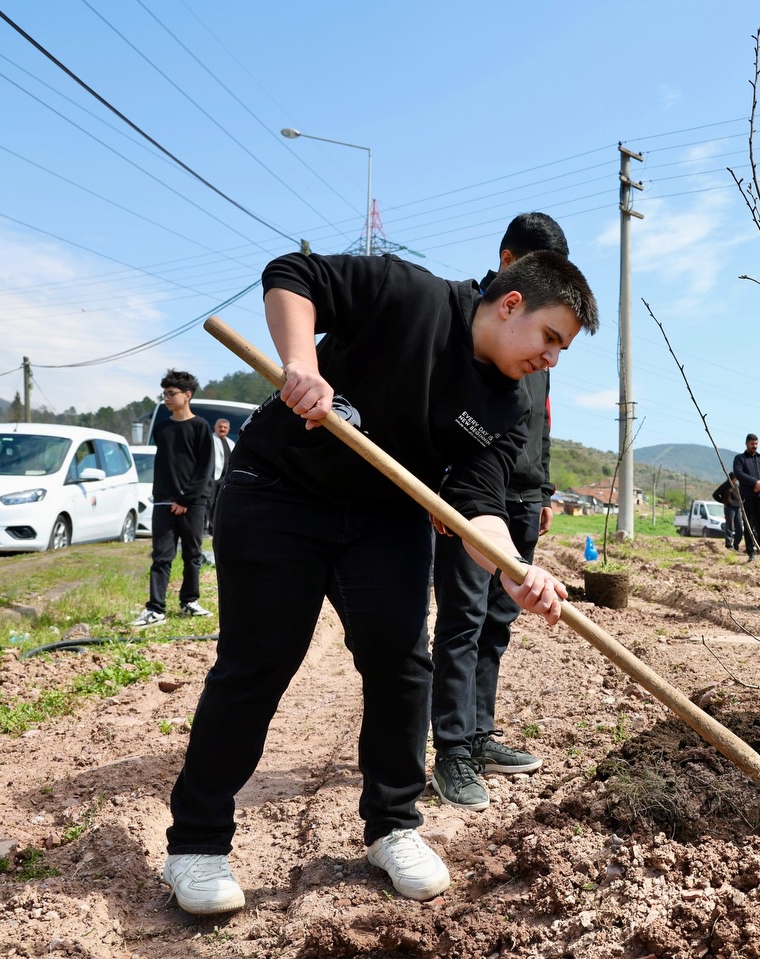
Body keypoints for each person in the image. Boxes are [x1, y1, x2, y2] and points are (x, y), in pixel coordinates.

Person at [161, 249, 598, 916]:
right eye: (550, 338)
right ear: (512, 304)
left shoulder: (508, 406)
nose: (551, 359)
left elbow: (477, 503)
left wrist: (516, 569)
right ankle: (196, 843)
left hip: (384, 516)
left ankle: (393, 827)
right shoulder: (410, 294)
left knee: (402, 665)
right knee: (260, 661)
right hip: (279, 490)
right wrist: (302, 365)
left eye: (561, 349)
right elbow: (292, 275)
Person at [429, 213, 568, 814]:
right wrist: (443, 488)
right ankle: (452, 749)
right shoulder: (472, 322)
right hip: (470, 493)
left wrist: (543, 490)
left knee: (497, 621)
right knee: (462, 619)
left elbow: (539, 420)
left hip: (522, 494)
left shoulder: (540, 336)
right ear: (509, 261)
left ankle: (480, 733)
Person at [132, 370, 214, 627]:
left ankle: (189, 601)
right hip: (163, 501)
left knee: (192, 554)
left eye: (171, 393)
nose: (166, 398)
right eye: (164, 393)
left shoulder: (200, 426)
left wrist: (186, 499)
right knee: (161, 556)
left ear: (187, 395)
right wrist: (169, 498)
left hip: (192, 503)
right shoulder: (161, 427)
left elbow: (205, 468)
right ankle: (155, 609)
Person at [733, 434, 760, 564]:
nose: (754, 446)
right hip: (748, 497)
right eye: (752, 444)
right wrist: (754, 483)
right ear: (746, 443)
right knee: (749, 525)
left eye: (756, 444)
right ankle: (750, 553)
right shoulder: (740, 459)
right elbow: (739, 473)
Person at [206, 418, 234, 535]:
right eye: (220, 426)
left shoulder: (231, 443)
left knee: (219, 504)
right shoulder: (209, 439)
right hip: (212, 478)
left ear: (228, 429)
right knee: (209, 503)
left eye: (225, 427)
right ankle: (204, 528)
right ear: (215, 427)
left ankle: (213, 529)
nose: (222, 429)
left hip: (224, 480)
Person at [714, 472, 742, 551]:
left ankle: (736, 544)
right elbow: (715, 494)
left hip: (737, 508)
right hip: (729, 507)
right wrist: (723, 501)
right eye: (734, 479)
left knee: (739, 527)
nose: (735, 481)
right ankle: (729, 544)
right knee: (729, 525)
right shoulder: (725, 485)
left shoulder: (737, 486)